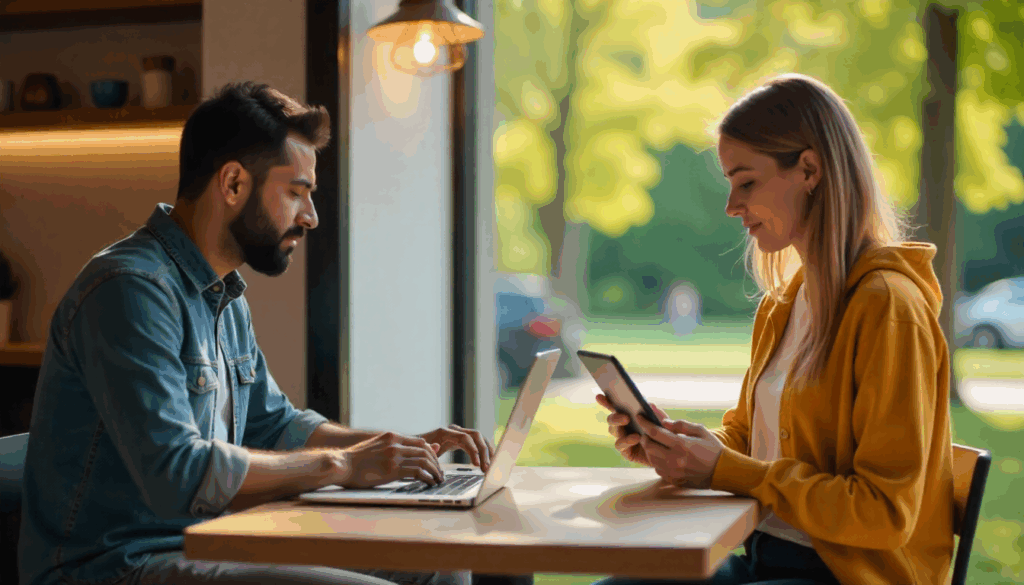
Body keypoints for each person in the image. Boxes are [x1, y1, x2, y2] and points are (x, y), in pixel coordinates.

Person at [19, 82, 499, 585]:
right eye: (296, 193)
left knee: (438, 562)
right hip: (115, 566)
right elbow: (177, 473)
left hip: (208, 540)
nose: (311, 217)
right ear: (232, 185)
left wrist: (395, 449)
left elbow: (275, 425)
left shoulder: (224, 295)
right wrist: (342, 464)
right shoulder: (129, 290)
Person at [595, 74, 954, 585]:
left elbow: (885, 511)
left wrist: (722, 469)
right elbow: (749, 443)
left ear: (809, 169)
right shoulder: (784, 305)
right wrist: (676, 448)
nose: (731, 206)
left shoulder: (888, 308)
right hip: (766, 561)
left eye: (747, 182)